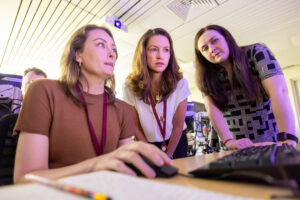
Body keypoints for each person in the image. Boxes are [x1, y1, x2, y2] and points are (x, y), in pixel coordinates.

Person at [13, 24, 170, 184]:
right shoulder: (43, 90)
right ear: (78, 54)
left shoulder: (122, 108)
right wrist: (95, 165)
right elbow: (25, 179)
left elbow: (125, 168)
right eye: (101, 44)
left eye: (114, 49)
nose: (111, 54)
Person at [194, 24, 297, 150]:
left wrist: (287, 139)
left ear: (227, 38)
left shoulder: (256, 53)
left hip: (269, 142)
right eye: (204, 48)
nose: (211, 49)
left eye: (215, 40)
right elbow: (211, 109)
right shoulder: (206, 75)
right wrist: (229, 142)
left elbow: (279, 92)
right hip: (234, 147)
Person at [123, 28, 191, 159]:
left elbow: (177, 127)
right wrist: (149, 153)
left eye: (166, 50)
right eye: (154, 49)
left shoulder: (180, 83)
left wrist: (169, 155)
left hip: (176, 142)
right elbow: (136, 127)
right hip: (146, 143)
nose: (160, 56)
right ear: (143, 53)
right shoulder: (129, 84)